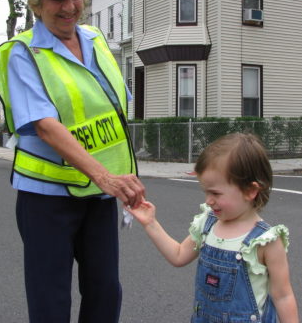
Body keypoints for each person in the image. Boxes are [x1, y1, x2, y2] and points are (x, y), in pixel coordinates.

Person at [0, 0, 145, 323]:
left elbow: (114, 113)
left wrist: (117, 178)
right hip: (47, 198)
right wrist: (106, 176)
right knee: (50, 299)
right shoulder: (24, 54)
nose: (70, 6)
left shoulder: (95, 40)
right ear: (37, 3)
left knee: (105, 291)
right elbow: (44, 124)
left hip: (98, 195)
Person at [127, 133, 299, 323]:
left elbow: (283, 296)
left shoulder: (266, 241)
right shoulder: (207, 224)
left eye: (215, 193)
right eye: (205, 192)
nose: (208, 200)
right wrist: (151, 223)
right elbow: (178, 255)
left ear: (250, 191)